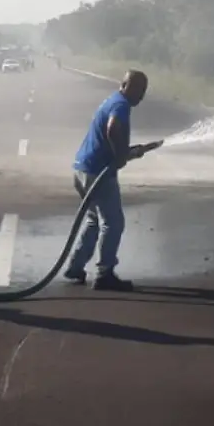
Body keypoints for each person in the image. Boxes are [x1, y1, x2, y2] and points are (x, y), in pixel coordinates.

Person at [66, 69, 152, 290]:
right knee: (113, 223)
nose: (141, 96)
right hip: (97, 172)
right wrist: (120, 155)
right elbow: (112, 128)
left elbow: (112, 137)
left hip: (82, 169)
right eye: (139, 90)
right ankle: (104, 274)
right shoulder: (121, 105)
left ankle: (75, 267)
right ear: (126, 86)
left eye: (144, 91)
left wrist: (127, 151)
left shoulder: (113, 100)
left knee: (94, 220)